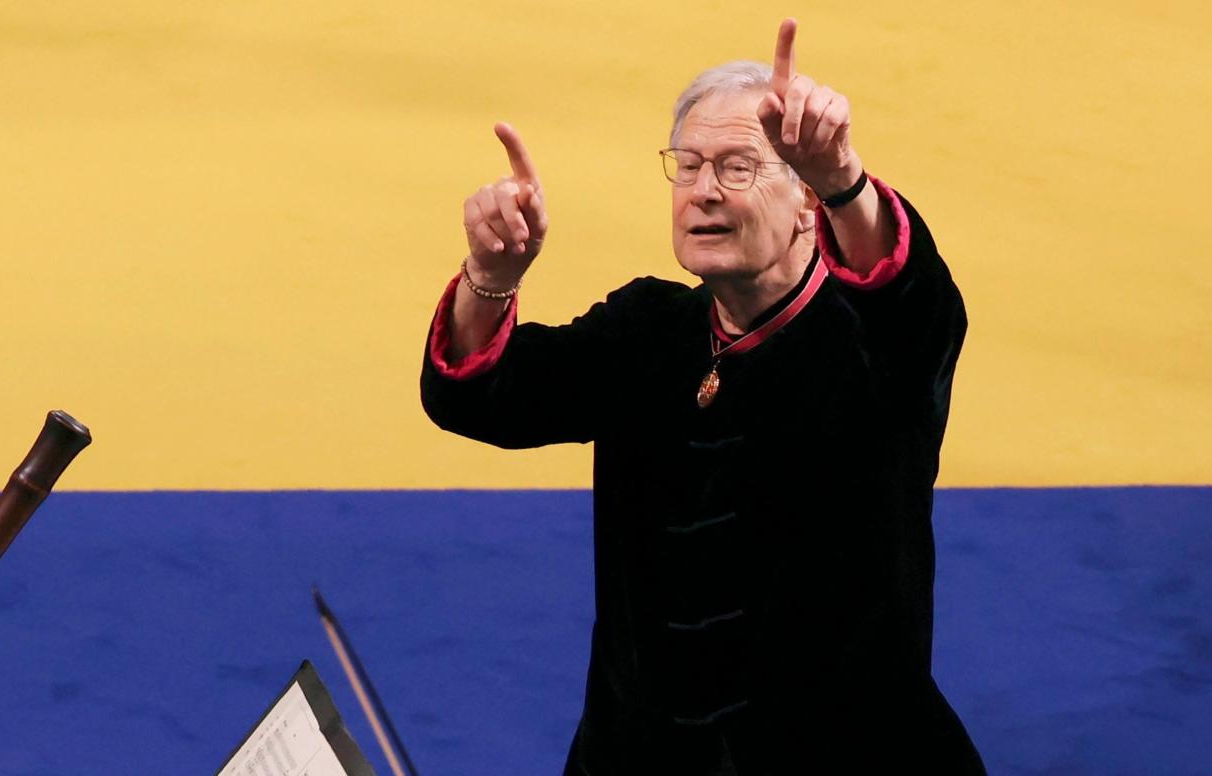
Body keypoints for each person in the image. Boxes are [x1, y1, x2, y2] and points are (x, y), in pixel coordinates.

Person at [420, 18, 986, 775]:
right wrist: (493, 275)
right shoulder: (647, 329)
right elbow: (479, 395)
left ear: (804, 207)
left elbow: (916, 307)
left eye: (738, 167)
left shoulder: (871, 347)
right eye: (686, 166)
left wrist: (844, 179)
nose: (703, 193)